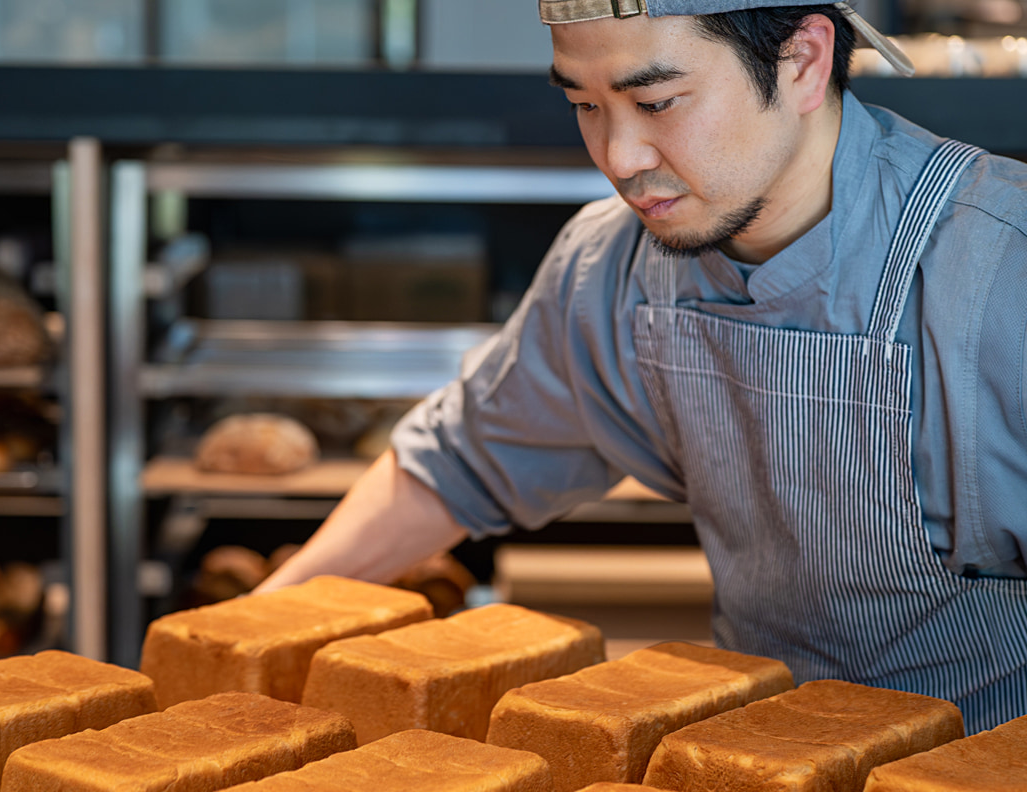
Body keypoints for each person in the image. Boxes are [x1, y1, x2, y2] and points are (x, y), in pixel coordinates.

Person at [258, 0, 1027, 734]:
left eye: (656, 102)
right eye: (585, 106)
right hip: (751, 755)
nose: (618, 158)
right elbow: (458, 465)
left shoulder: (1000, 271)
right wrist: (259, 631)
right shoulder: (612, 268)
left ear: (803, 61)